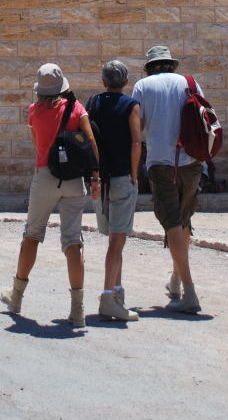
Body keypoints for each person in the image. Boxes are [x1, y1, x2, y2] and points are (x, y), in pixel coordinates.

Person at [0, 63, 100, 327]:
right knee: (72, 241)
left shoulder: (34, 111)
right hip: (74, 180)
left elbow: (37, 145)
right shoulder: (77, 109)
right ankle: (77, 310)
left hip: (45, 176)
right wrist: (95, 177)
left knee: (32, 235)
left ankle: (17, 296)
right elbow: (91, 142)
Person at [131, 45, 204, 314]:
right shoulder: (190, 82)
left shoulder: (142, 86)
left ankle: (190, 292)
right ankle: (176, 281)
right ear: (171, 64)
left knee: (172, 223)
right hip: (192, 160)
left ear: (149, 66)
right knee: (184, 220)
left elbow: (138, 126)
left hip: (161, 162)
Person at [86, 60, 141, 321]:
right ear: (126, 82)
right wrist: (134, 173)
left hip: (100, 179)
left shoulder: (93, 103)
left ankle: (118, 293)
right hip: (121, 177)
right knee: (117, 241)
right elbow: (136, 141)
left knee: (114, 239)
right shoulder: (131, 105)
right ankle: (108, 296)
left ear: (103, 81)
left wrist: (93, 175)